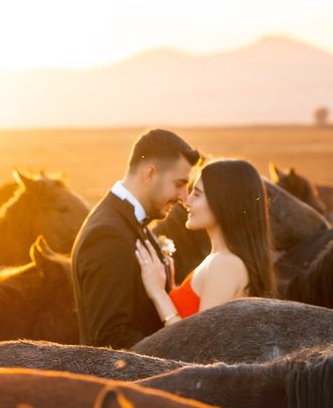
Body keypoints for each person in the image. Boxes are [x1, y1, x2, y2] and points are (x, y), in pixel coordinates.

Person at [71, 128, 200, 348]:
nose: (183, 196)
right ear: (149, 174)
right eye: (179, 184)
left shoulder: (128, 221)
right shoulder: (107, 235)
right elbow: (109, 338)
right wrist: (174, 358)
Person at [137, 158, 275, 326]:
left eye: (197, 194)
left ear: (224, 203)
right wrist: (170, 286)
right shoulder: (218, 259)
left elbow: (199, 347)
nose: (187, 202)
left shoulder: (225, 265)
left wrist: (158, 293)